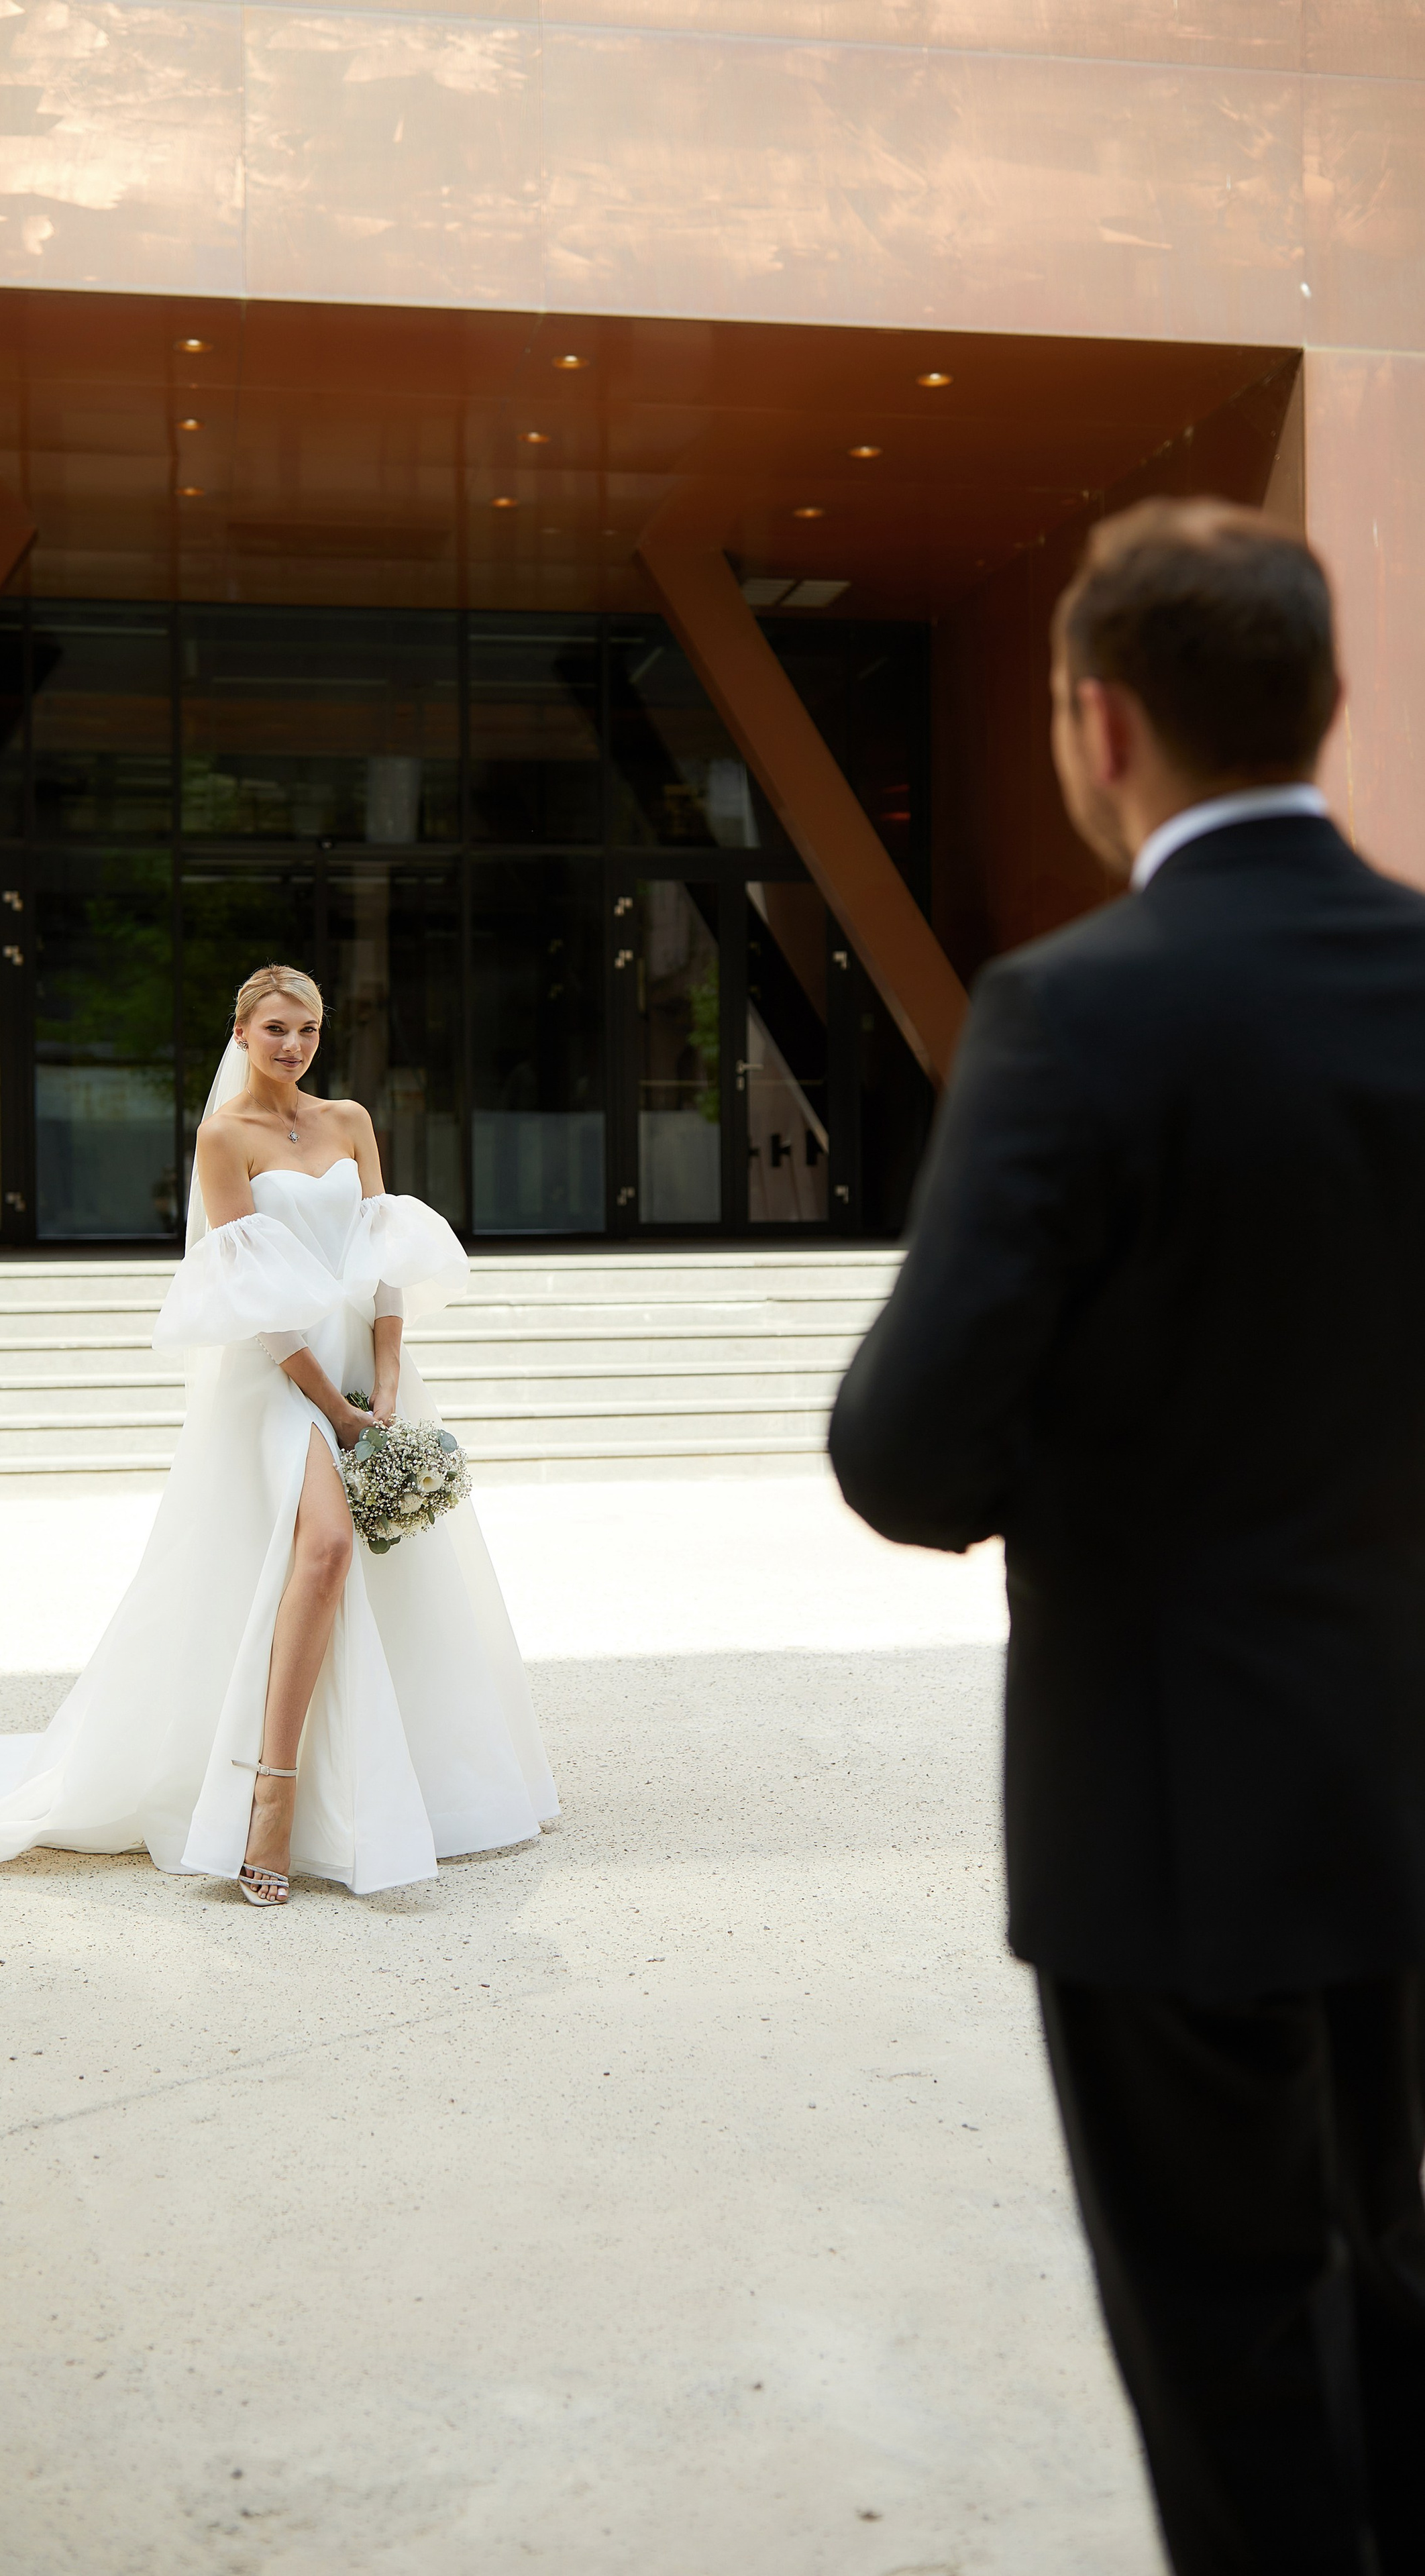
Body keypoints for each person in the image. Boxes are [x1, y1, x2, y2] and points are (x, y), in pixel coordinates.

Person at [829, 498, 1425, 2575]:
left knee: (1227, 2369)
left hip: (1171, 1812)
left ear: (1096, 725)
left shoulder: (1075, 1011)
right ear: (1328, 703)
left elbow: (905, 1453)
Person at [0, 962, 558, 1902]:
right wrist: (333, 1411)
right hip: (282, 1379)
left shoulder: (350, 1122)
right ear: (243, 1035)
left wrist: (381, 1388)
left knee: (389, 1574)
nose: (292, 1046)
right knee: (329, 1549)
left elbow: (386, 1266)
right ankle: (271, 1796)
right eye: (275, 1030)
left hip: (365, 1378)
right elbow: (256, 1300)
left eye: (306, 1031)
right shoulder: (225, 1136)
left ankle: (387, 1784)